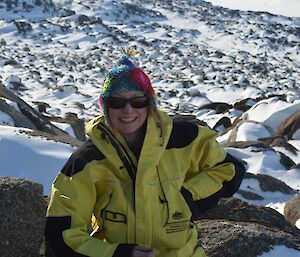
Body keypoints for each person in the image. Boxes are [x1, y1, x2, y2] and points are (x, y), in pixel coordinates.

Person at [45, 48, 245, 257]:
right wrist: (116, 254)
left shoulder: (186, 138)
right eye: (117, 102)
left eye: (137, 101)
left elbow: (230, 169)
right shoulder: (85, 161)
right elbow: (61, 234)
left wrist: (187, 196)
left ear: (150, 103)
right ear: (105, 108)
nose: (128, 110)